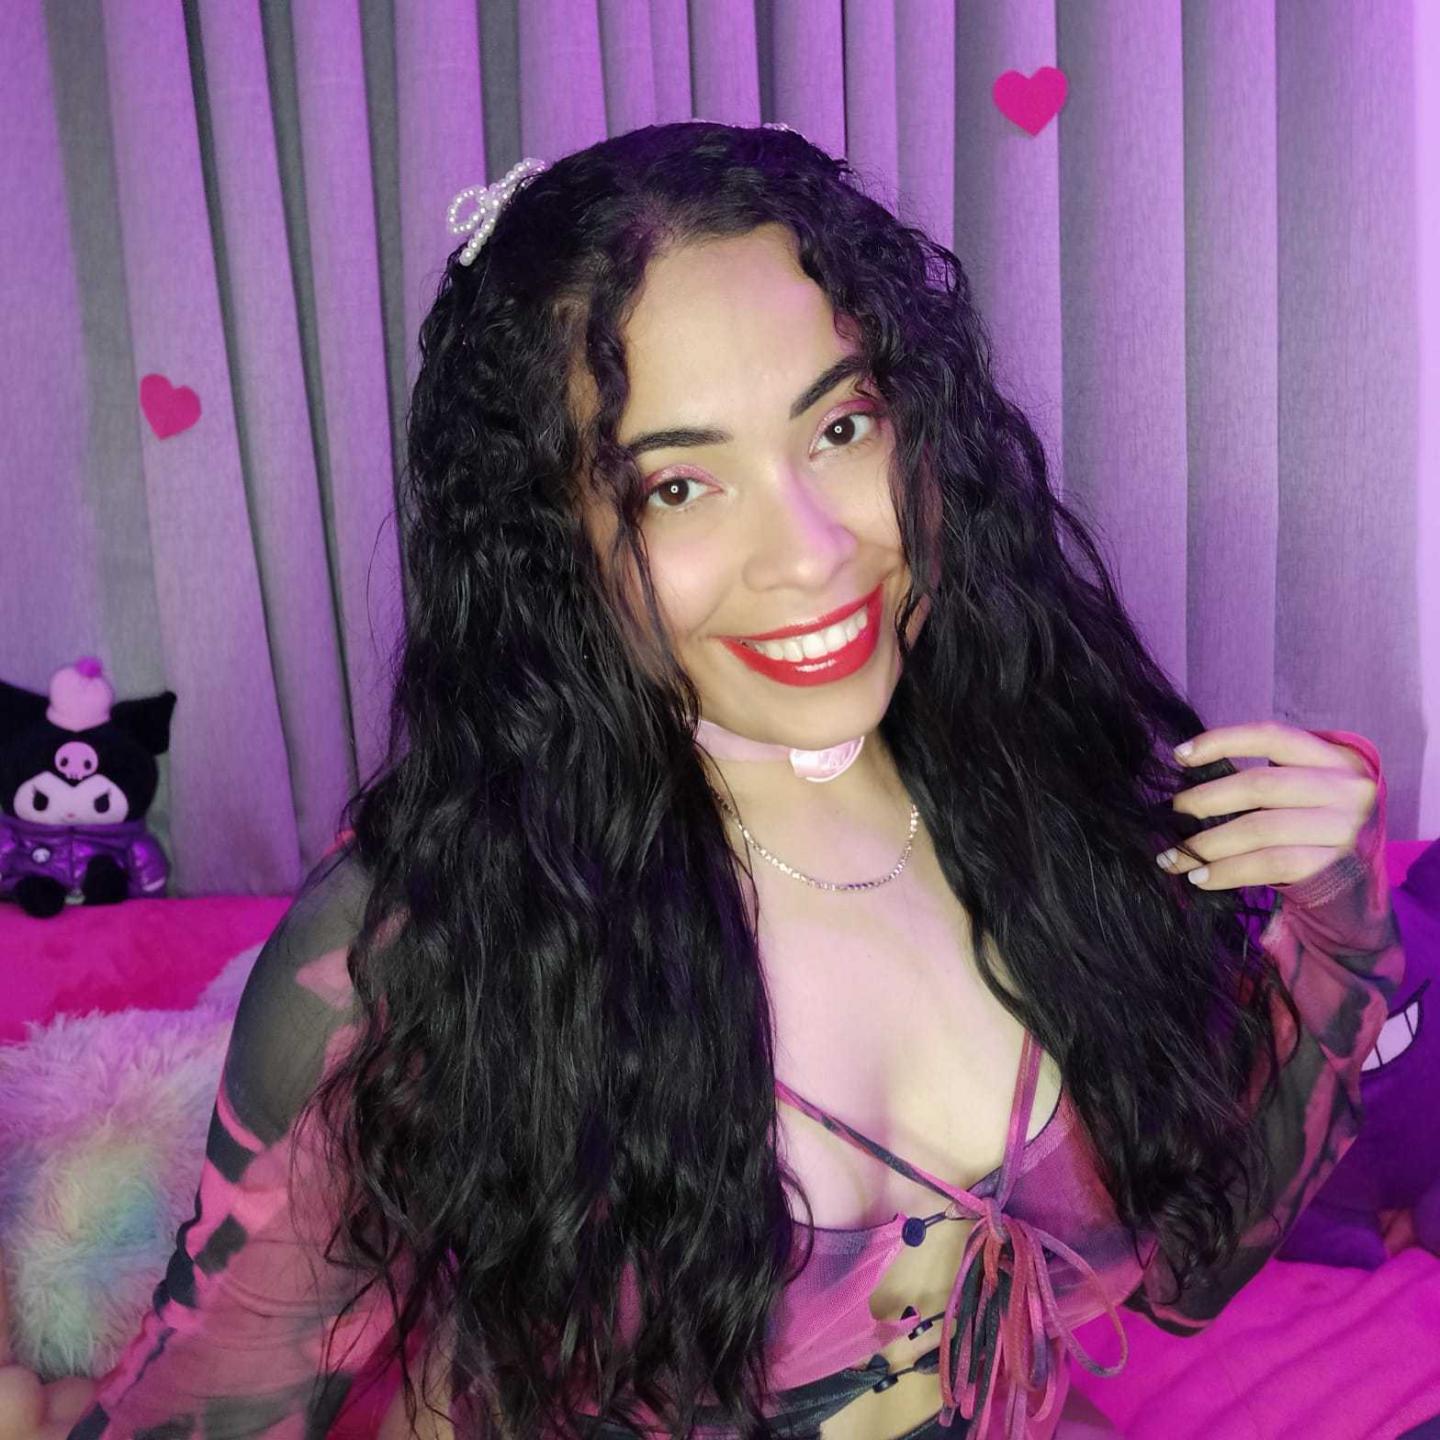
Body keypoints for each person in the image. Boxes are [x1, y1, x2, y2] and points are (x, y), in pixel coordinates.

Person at [64, 120, 1401, 1440]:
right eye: (677, 488)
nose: (812, 551)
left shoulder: (1039, 781)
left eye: (841, 427)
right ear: (551, 539)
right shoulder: (421, 939)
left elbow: (1191, 1263)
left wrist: (1336, 926)